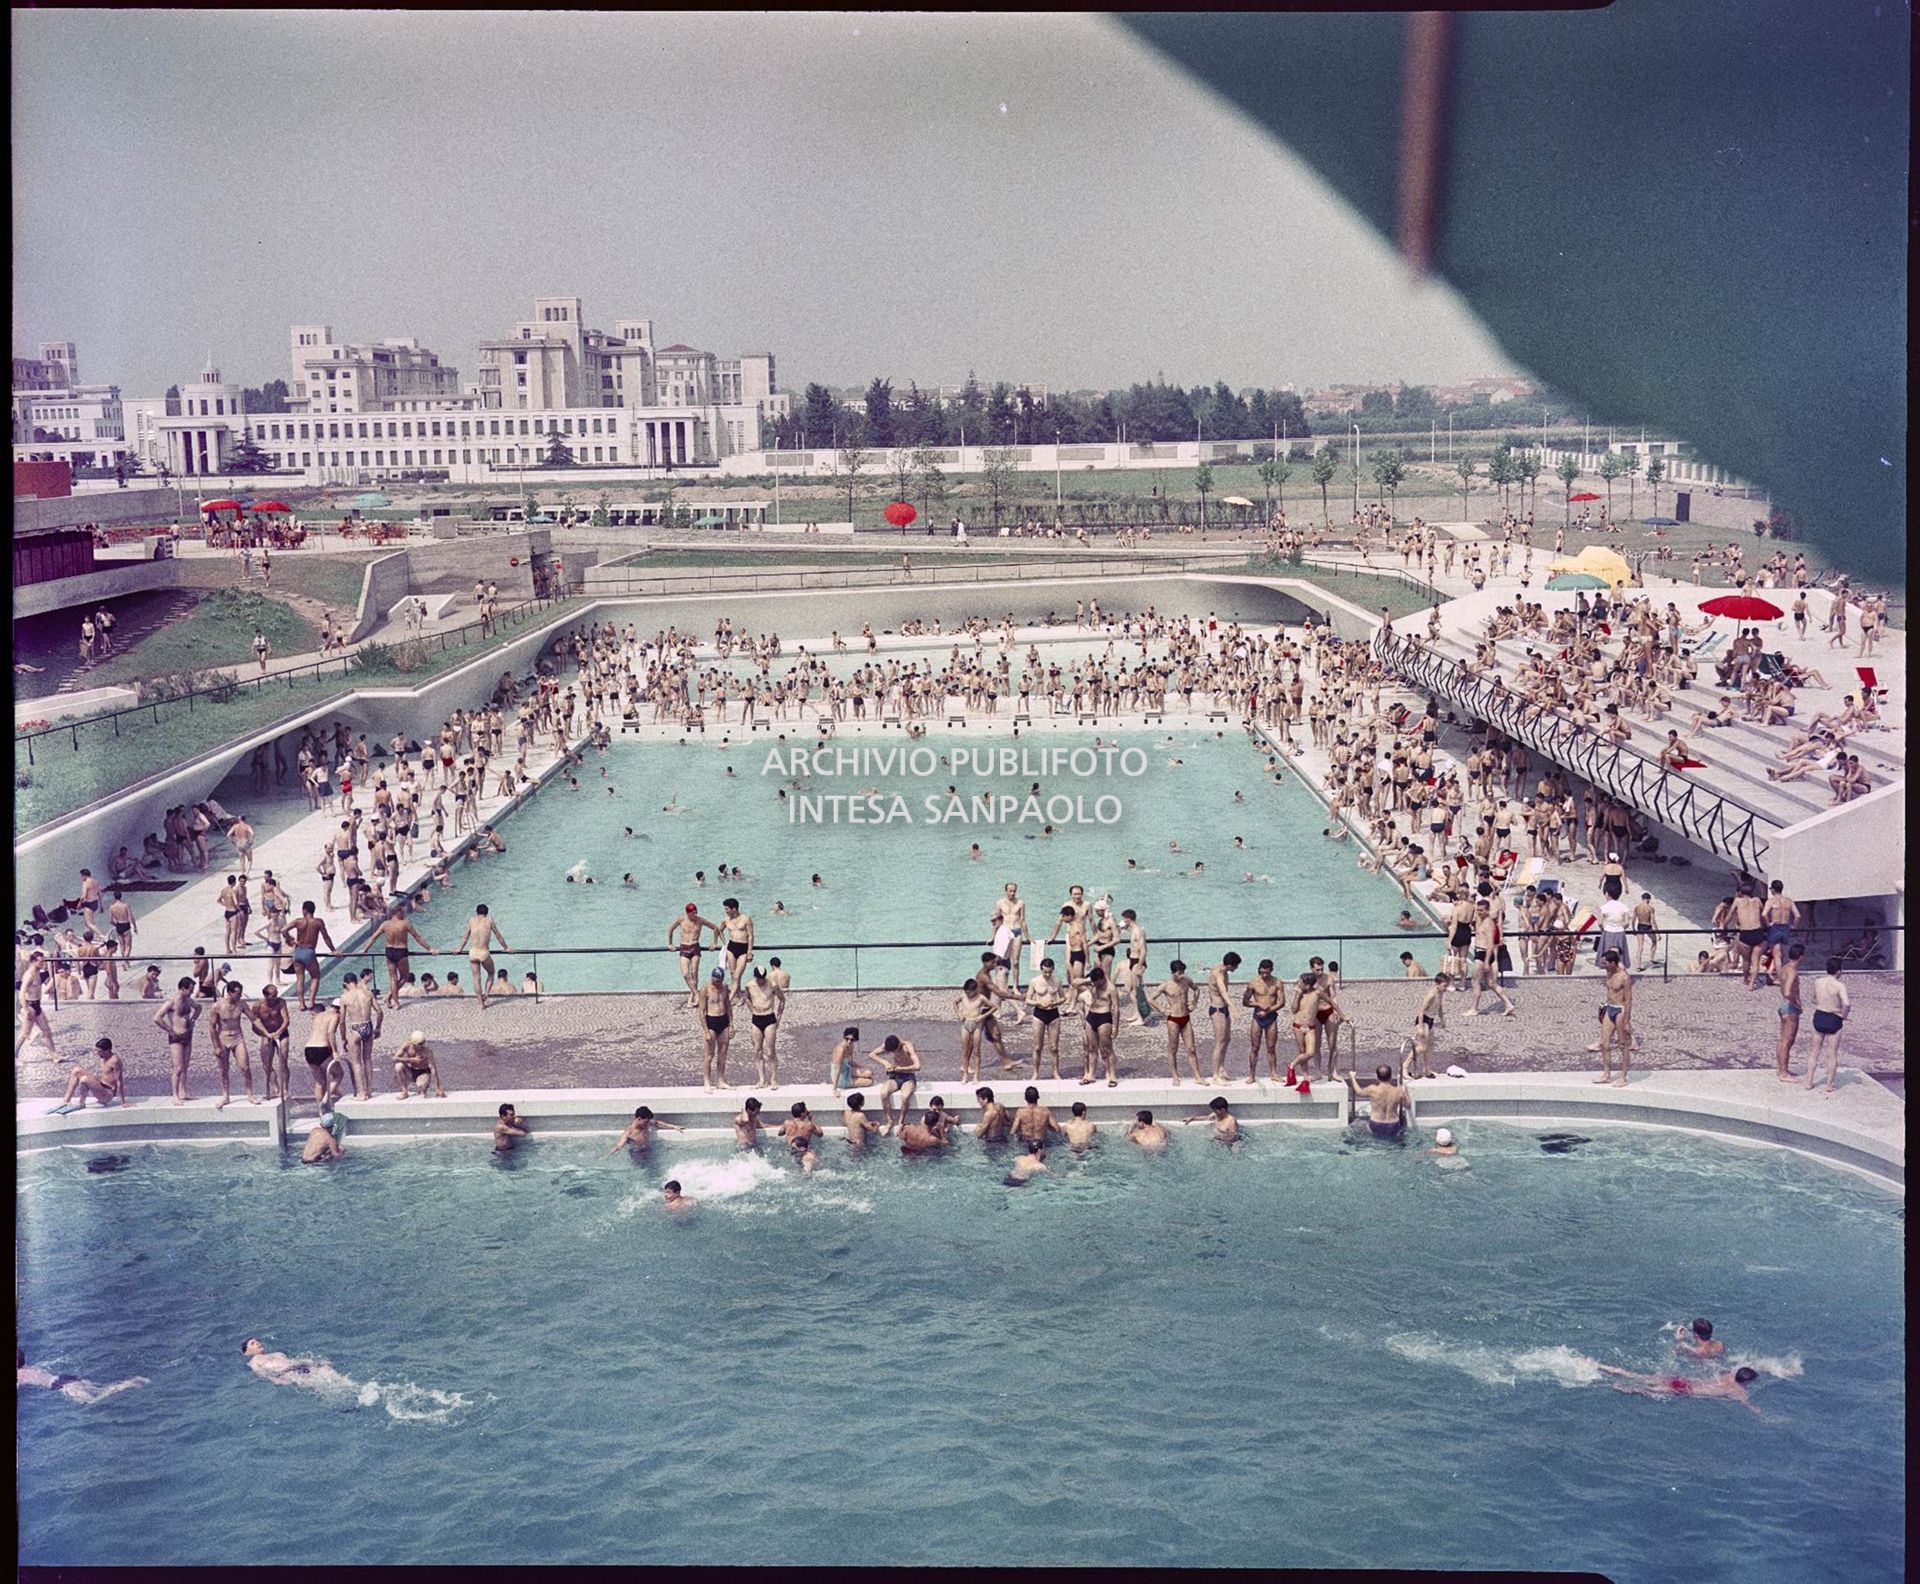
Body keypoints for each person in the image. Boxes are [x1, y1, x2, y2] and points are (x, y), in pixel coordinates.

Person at [1595, 1363, 1763, 1412]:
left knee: (1638, 1376)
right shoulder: (1737, 1390)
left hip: (1682, 1380)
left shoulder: (1728, 1375)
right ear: (1746, 1382)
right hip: (1685, 1390)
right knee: (1649, 1391)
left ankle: (1606, 1368)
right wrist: (1764, 1416)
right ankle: (1624, 1388)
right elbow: (1750, 1407)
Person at [17, 1348, 148, 1405]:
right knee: (99, 1390)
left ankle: (126, 1385)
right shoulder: (29, 1367)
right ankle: (131, 1382)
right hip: (65, 1378)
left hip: (62, 1386)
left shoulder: (19, 1375)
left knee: (92, 1401)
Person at [1150, 960, 1204, 1084]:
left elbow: (1197, 989)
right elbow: (1151, 999)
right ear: (1173, 973)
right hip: (1173, 1019)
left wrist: (1194, 1003)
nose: (1182, 975)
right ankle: (1175, 1076)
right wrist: (1163, 1010)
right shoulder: (1166, 985)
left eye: (1183, 972)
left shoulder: (1186, 981)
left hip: (1186, 1017)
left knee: (1191, 1049)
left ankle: (1197, 1076)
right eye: (1179, 973)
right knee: (1173, 1048)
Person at [1587, 950, 1634, 1086]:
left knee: (1622, 1044)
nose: (1602, 966)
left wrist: (1626, 1020)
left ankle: (1623, 1077)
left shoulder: (1624, 977)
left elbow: (1629, 999)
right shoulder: (1609, 973)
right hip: (1610, 1008)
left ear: (1613, 963)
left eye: (1605, 963)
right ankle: (1606, 1074)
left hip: (1620, 1010)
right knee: (1604, 1044)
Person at [1804, 956, 1851, 1093]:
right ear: (1839, 971)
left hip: (1819, 1015)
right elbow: (1847, 1004)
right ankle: (1829, 1085)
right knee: (1832, 1053)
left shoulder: (1818, 981)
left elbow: (1813, 998)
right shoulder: (1839, 985)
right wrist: (1844, 1016)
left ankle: (1809, 1082)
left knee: (1814, 1052)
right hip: (1833, 1018)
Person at [241, 1337, 351, 1392]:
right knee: (318, 1385)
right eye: (253, 1343)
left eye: (257, 1341)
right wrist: (275, 1380)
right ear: (247, 1352)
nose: (257, 1343)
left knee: (326, 1369)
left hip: (301, 1367)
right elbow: (261, 1373)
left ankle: (351, 1386)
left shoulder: (278, 1353)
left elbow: (294, 1360)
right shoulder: (254, 1361)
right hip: (289, 1373)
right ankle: (341, 1402)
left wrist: (314, 1363)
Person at [1344, 1065, 1411, 1140]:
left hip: (1376, 1124)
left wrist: (1352, 1077)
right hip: (1393, 1125)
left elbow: (1359, 1092)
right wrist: (1404, 1091)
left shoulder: (1373, 1089)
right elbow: (1408, 1105)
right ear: (1391, 1077)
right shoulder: (1398, 1091)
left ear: (1377, 1077)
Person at [462, 905, 509, 1009]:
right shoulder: (489, 920)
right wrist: (506, 948)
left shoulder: (471, 920)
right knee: (491, 973)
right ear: (486, 913)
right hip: (483, 952)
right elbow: (498, 935)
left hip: (473, 952)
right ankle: (486, 995)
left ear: (476, 912)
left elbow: (465, 936)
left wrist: (459, 948)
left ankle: (480, 1003)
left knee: (476, 978)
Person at [58, 1037, 125, 1109]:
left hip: (107, 1094)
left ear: (107, 1050)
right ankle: (66, 1100)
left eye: (99, 1051)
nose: (97, 1053)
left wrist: (123, 1102)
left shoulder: (115, 1061)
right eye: (96, 1051)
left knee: (84, 1079)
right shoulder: (103, 1057)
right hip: (101, 1087)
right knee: (76, 1070)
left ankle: (81, 1103)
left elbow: (119, 1081)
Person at [873, 1035, 922, 1134]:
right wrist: (885, 1063)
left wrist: (901, 1068)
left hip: (908, 1077)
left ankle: (900, 1122)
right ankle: (889, 1122)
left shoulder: (907, 1046)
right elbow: (872, 1054)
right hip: (896, 1076)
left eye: (894, 1051)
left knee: (905, 1096)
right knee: (883, 1093)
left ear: (898, 1045)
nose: (893, 1053)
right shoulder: (887, 1044)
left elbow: (918, 1066)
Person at [696, 968, 734, 1091]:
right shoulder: (705, 989)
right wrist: (705, 1030)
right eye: (717, 981)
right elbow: (701, 1011)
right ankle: (707, 1082)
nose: (718, 983)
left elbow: (728, 1006)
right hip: (711, 1022)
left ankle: (720, 1080)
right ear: (712, 978)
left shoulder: (724, 988)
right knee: (709, 1055)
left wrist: (731, 1025)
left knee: (722, 1055)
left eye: (720, 981)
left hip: (723, 1022)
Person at [1408, 974, 1449, 1080]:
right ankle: (1403, 1067)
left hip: (1431, 1020)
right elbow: (1420, 1010)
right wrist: (1421, 1027)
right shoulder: (1431, 994)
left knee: (1429, 1047)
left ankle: (1427, 1069)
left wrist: (1442, 1019)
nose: (1446, 989)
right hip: (1424, 1020)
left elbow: (1439, 1006)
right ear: (1437, 984)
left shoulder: (1440, 992)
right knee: (1422, 1047)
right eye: (1444, 986)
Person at [1774, 943, 1806, 1081]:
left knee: (1783, 1040)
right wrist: (1797, 1003)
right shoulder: (1792, 971)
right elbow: (1787, 991)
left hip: (1783, 1006)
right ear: (1801, 957)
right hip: (1790, 1007)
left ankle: (1781, 1069)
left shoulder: (1784, 968)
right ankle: (1784, 1073)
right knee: (1788, 1041)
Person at [607, 1105, 685, 1156]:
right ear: (639, 1119)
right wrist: (607, 1156)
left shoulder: (645, 1123)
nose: (649, 1123)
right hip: (637, 1154)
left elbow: (657, 1123)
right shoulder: (629, 1132)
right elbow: (618, 1146)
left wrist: (674, 1127)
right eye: (647, 1121)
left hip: (648, 1150)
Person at [393, 1030, 446, 1099]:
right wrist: (411, 1059)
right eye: (419, 1044)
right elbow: (395, 1058)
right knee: (398, 1066)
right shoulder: (407, 1045)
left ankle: (423, 1087)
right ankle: (404, 1091)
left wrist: (437, 1088)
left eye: (422, 1043)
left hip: (422, 1072)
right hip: (410, 1071)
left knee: (421, 1086)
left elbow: (433, 1068)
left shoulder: (427, 1051)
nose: (421, 1046)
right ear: (413, 1043)